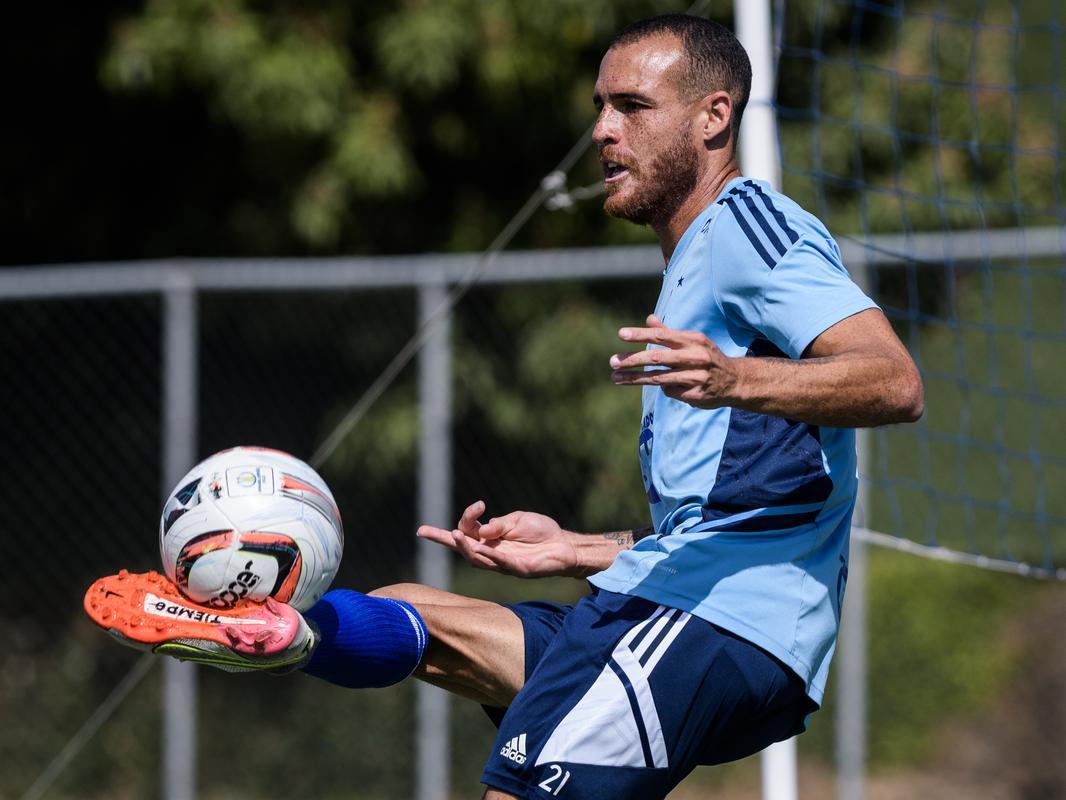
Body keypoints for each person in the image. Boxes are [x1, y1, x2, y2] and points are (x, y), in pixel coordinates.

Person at [87, 14, 922, 799]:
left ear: (713, 118)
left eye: (632, 107)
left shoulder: (749, 225)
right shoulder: (696, 255)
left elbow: (892, 381)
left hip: (721, 622)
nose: (603, 130)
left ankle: (285, 636)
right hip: (681, 602)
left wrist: (736, 379)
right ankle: (280, 634)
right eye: (600, 107)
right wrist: (576, 548)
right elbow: (740, 505)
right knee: (418, 613)